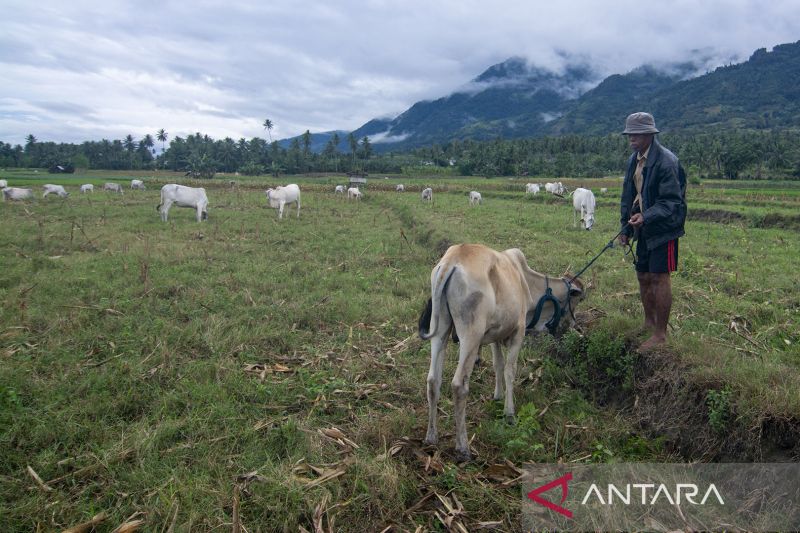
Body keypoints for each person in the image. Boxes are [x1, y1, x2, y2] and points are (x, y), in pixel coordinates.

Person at [618, 112, 687, 350]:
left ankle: (660, 334)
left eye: (636, 135)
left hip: (664, 229)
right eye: (629, 135)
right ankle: (648, 323)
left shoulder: (666, 162)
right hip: (643, 227)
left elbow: (671, 202)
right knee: (643, 275)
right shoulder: (633, 160)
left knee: (659, 277)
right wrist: (624, 228)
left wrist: (645, 216)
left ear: (649, 134)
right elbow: (628, 196)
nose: (631, 139)